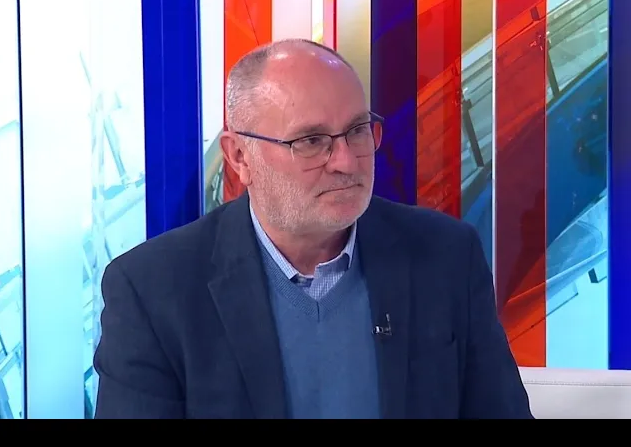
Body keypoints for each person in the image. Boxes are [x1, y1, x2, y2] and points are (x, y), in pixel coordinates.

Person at [93, 38, 533, 419]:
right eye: (310, 141)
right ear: (240, 157)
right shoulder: (153, 290)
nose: (345, 161)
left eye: (357, 130)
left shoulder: (446, 255)